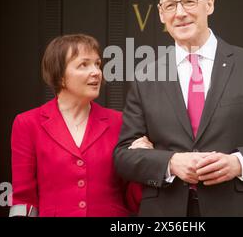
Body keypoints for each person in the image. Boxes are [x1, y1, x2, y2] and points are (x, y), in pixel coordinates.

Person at [114, 0, 243, 217]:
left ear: (209, 4)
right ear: (161, 13)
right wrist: (170, 163)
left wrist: (239, 163)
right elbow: (123, 156)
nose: (180, 13)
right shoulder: (146, 75)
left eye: (189, 2)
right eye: (170, 5)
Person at [9, 34, 150, 217]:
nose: (96, 72)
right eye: (84, 65)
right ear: (59, 76)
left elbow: (132, 199)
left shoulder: (120, 122)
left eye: (97, 64)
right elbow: (24, 199)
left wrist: (143, 163)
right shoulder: (28, 123)